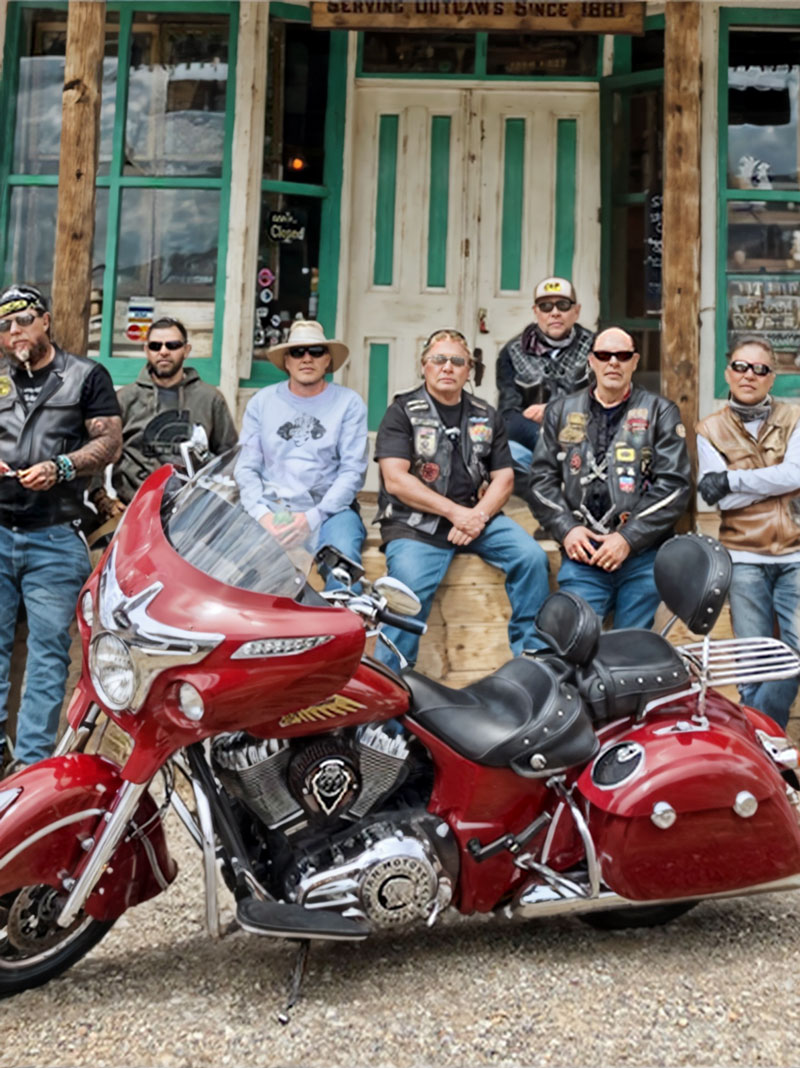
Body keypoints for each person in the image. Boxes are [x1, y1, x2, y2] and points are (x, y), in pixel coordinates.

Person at [373, 328, 551, 671]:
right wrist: (457, 514)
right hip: (415, 525)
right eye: (439, 359)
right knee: (406, 592)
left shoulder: (486, 414)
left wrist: (478, 516)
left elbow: (504, 478)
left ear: (469, 370)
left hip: (477, 518)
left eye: (457, 361)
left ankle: (534, 664)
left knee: (531, 559)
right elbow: (395, 480)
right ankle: (390, 682)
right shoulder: (402, 411)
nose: (447, 367)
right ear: (424, 365)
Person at [0, 284, 122, 771]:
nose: (14, 331)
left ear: (45, 321)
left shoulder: (86, 376)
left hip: (55, 533)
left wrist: (62, 467)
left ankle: (30, 768)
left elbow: (109, 443)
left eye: (23, 320)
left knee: (49, 655)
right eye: (5, 326)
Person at [529, 326, 691, 630]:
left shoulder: (661, 412)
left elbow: (674, 486)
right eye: (604, 355)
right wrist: (567, 529)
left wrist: (628, 538)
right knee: (575, 640)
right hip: (583, 554)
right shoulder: (560, 411)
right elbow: (541, 480)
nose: (613, 362)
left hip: (642, 556)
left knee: (631, 647)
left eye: (622, 355)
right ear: (591, 360)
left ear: (635, 361)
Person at [697, 337, 800, 729]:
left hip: (795, 551)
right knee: (753, 661)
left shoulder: (794, 418)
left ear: (772, 378)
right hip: (743, 556)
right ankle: (766, 741)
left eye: (760, 369)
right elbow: (719, 500)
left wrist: (732, 478)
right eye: (740, 366)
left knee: (795, 653)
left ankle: (758, 732)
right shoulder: (709, 429)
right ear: (728, 373)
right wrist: (774, 482)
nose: (748, 375)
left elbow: (796, 474)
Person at [236, 319, 368, 586]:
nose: (307, 358)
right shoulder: (262, 402)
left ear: (327, 360)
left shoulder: (349, 403)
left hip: (329, 511)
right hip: (274, 508)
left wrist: (311, 518)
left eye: (316, 351)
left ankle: (338, 614)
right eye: (297, 352)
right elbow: (246, 467)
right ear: (286, 361)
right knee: (233, 564)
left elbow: (352, 471)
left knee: (343, 568)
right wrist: (262, 515)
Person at [110, 317, 237, 508]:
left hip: (193, 511)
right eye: (155, 346)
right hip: (133, 507)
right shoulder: (124, 398)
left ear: (186, 350)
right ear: (146, 350)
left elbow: (229, 457)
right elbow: (102, 448)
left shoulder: (210, 399)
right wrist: (101, 498)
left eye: (172, 345)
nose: (163, 351)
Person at [496, 276, 593, 509]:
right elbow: (508, 415)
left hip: (585, 436)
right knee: (499, 456)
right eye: (546, 306)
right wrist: (546, 440)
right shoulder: (512, 352)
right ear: (536, 312)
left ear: (576, 311)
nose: (555, 313)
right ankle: (551, 508)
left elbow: (604, 403)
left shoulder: (596, 349)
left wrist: (553, 411)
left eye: (563, 305)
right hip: (534, 439)